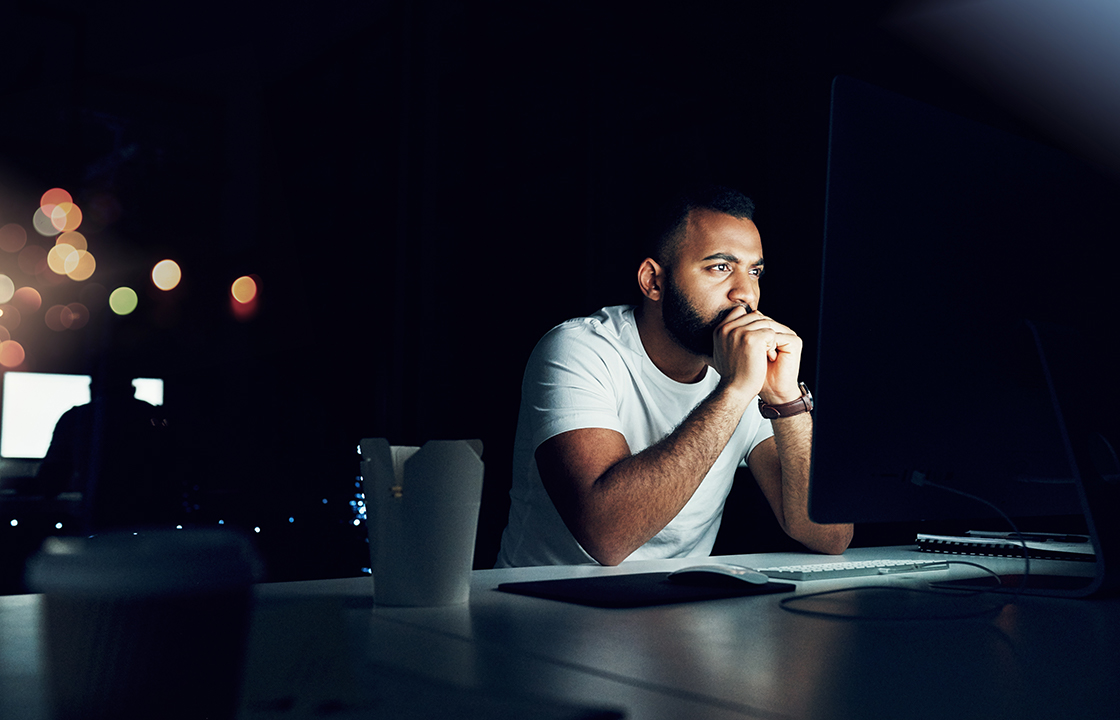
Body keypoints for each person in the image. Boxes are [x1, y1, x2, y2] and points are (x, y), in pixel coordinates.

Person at [496, 185, 853, 567]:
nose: (745, 294)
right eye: (720, 267)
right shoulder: (579, 350)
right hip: (542, 610)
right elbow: (607, 538)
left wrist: (785, 399)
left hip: (673, 611)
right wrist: (734, 391)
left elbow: (829, 534)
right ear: (653, 281)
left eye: (755, 272)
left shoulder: (749, 372)